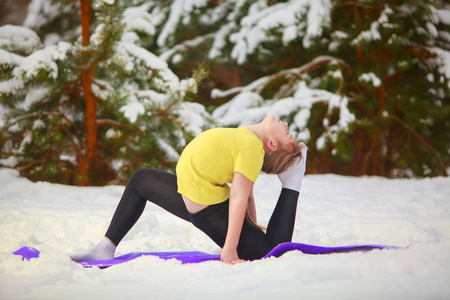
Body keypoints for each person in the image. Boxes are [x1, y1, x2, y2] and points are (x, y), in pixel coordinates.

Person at [70, 115, 307, 264]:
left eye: (287, 133)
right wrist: (249, 230)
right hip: (191, 195)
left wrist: (231, 248)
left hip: (210, 210)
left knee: (272, 251)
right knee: (140, 180)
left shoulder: (252, 148)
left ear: (272, 145)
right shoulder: (246, 137)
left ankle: (291, 184)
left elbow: (239, 196)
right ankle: (105, 248)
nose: (285, 124)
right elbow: (246, 194)